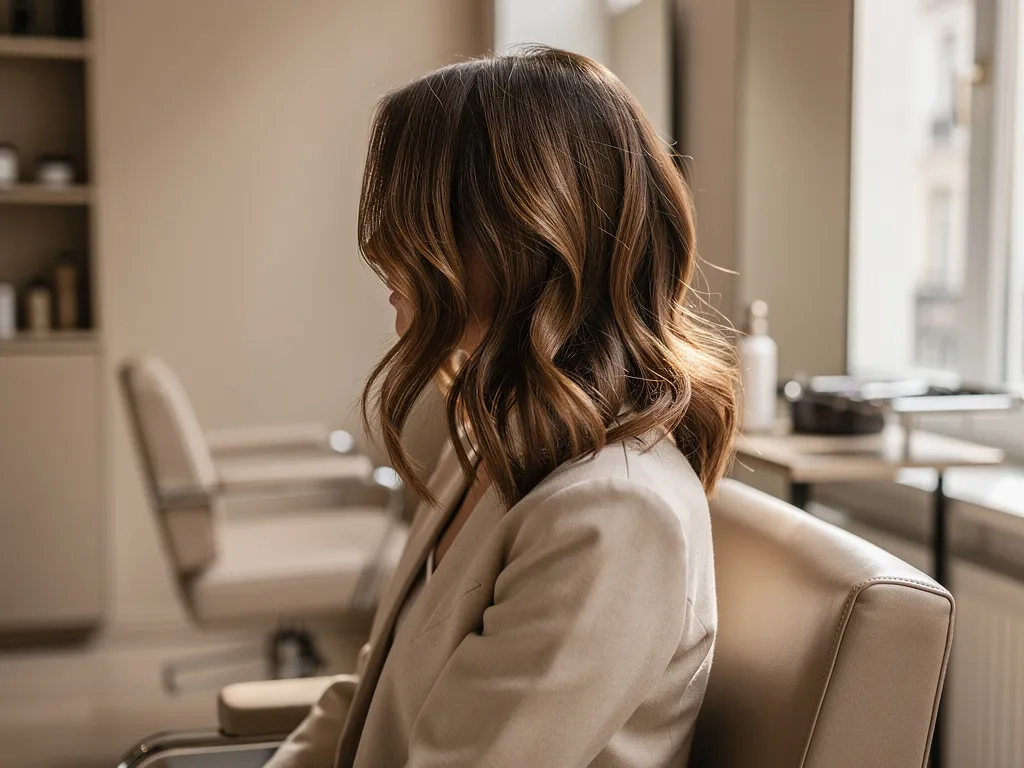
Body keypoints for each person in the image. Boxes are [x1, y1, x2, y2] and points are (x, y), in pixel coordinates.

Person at [268, 45, 739, 768]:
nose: (383, 248)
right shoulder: (491, 435)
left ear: (522, 235)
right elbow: (373, 686)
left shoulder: (613, 512)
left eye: (416, 213)